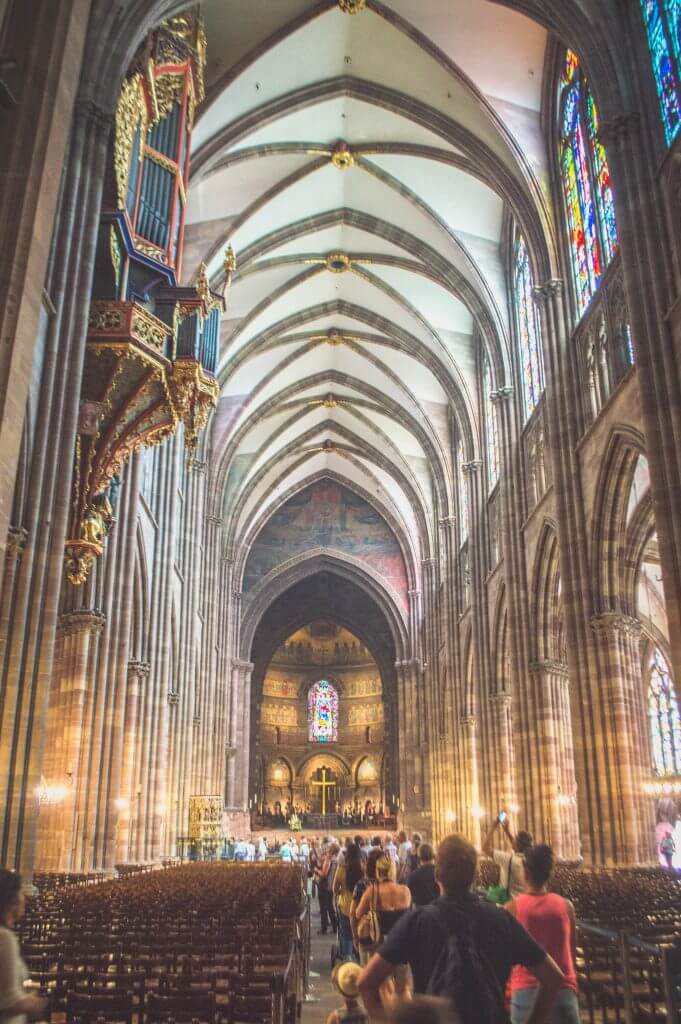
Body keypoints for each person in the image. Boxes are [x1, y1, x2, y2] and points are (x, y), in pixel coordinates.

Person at [358, 835, 564, 1024]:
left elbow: (366, 983)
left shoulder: (418, 921)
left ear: (437, 875)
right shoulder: (501, 919)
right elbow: (553, 977)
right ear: (475, 874)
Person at [505, 845, 579, 1024]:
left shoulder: (512, 908)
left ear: (526, 873)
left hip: (526, 995)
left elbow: (506, 959)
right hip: (564, 994)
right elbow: (572, 952)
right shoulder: (566, 906)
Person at [355, 854, 412, 1000]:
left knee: (385, 987)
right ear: (393, 870)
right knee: (403, 986)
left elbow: (357, 913)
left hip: (380, 943)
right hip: (402, 943)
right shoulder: (405, 891)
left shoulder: (372, 891)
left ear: (378, 871)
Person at [0, 870, 48, 1024]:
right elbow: (9, 1000)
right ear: (12, 900)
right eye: (21, 892)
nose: (24, 897)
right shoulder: (5, 938)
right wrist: (36, 1003)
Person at [482, 815, 533, 899]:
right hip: (524, 899)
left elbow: (485, 848)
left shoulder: (508, 859)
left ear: (516, 844)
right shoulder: (530, 859)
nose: (513, 840)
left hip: (508, 901)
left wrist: (493, 826)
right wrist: (507, 831)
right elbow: (519, 846)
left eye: (515, 839)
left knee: (482, 892)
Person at [350, 847, 383, 965]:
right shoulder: (393, 886)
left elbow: (353, 913)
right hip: (388, 937)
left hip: (367, 933)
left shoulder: (361, 885)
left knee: (367, 969)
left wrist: (355, 936)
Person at [335, 843, 365, 961]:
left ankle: (347, 960)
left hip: (345, 906)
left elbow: (334, 888)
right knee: (360, 932)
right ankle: (361, 957)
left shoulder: (342, 869)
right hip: (361, 907)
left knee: (346, 934)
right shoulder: (363, 869)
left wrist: (339, 892)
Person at [317, 842, 339, 935]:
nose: (326, 849)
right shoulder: (336, 860)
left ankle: (324, 928)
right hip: (331, 886)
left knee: (323, 908)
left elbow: (324, 874)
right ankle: (335, 927)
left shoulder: (328, 860)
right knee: (330, 907)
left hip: (324, 886)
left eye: (328, 848)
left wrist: (316, 871)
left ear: (331, 850)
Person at [408, 843, 439, 907]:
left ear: (419, 857)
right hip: (438, 910)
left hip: (420, 911)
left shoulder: (413, 875)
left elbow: (409, 896)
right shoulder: (440, 872)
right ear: (433, 855)